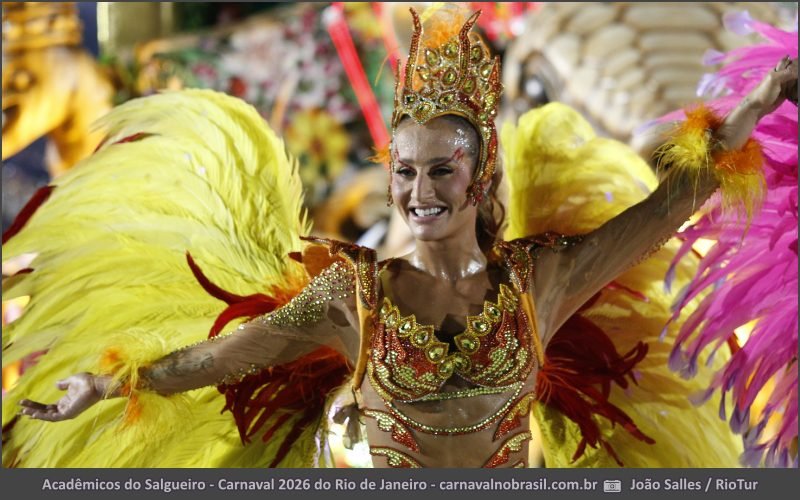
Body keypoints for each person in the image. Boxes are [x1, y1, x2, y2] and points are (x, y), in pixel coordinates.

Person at [10, 5, 797, 468]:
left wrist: (756, 102)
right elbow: (216, 359)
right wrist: (113, 383)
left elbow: (668, 205)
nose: (420, 192)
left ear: (480, 178)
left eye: (440, 172)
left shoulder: (543, 279)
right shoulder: (350, 299)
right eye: (406, 173)